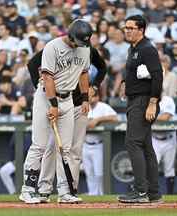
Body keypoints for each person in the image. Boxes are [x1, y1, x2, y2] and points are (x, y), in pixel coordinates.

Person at [19, 19, 93, 204]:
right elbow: (47, 77)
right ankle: (27, 189)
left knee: (65, 148)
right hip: (46, 97)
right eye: (79, 41)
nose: (81, 45)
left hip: (68, 99)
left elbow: (84, 74)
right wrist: (53, 104)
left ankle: (65, 192)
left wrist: (85, 98)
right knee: (39, 145)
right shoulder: (52, 47)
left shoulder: (84, 48)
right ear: (70, 36)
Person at [25, 42, 107, 203]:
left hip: (74, 102)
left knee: (71, 149)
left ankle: (68, 190)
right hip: (52, 99)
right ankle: (43, 188)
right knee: (48, 146)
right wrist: (40, 88)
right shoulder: (56, 47)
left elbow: (101, 69)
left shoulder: (87, 50)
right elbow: (33, 64)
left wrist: (93, 88)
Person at [118, 15, 163, 203]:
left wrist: (152, 102)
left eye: (131, 28)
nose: (127, 30)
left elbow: (158, 76)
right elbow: (132, 71)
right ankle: (153, 192)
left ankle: (140, 191)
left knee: (132, 143)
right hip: (135, 100)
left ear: (141, 29)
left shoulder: (147, 49)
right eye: (125, 27)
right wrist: (123, 83)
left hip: (143, 102)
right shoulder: (134, 48)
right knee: (146, 147)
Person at [82, 89, 118, 195]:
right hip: (85, 144)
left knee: (99, 173)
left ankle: (102, 194)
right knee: (89, 172)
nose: (90, 98)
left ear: (98, 97)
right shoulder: (83, 106)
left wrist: (98, 120)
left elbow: (115, 118)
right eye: (89, 96)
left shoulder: (103, 107)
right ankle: (92, 194)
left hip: (98, 144)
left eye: (93, 96)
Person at [152, 96, 177, 194]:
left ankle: (170, 196)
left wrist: (150, 118)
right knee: (152, 167)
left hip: (169, 138)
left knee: (169, 169)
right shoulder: (146, 100)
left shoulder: (168, 100)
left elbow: (166, 117)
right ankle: (150, 194)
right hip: (154, 138)